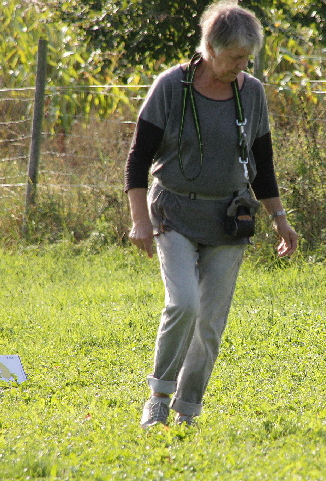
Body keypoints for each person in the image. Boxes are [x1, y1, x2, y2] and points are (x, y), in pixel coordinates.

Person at [124, 0, 298, 428]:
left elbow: (263, 161)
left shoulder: (251, 91)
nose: (241, 66)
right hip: (175, 212)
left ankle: (187, 409)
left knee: (211, 322)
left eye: (247, 58)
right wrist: (139, 220)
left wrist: (280, 218)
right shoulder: (171, 87)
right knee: (184, 303)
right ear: (210, 48)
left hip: (229, 218)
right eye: (235, 57)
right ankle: (159, 398)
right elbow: (137, 159)